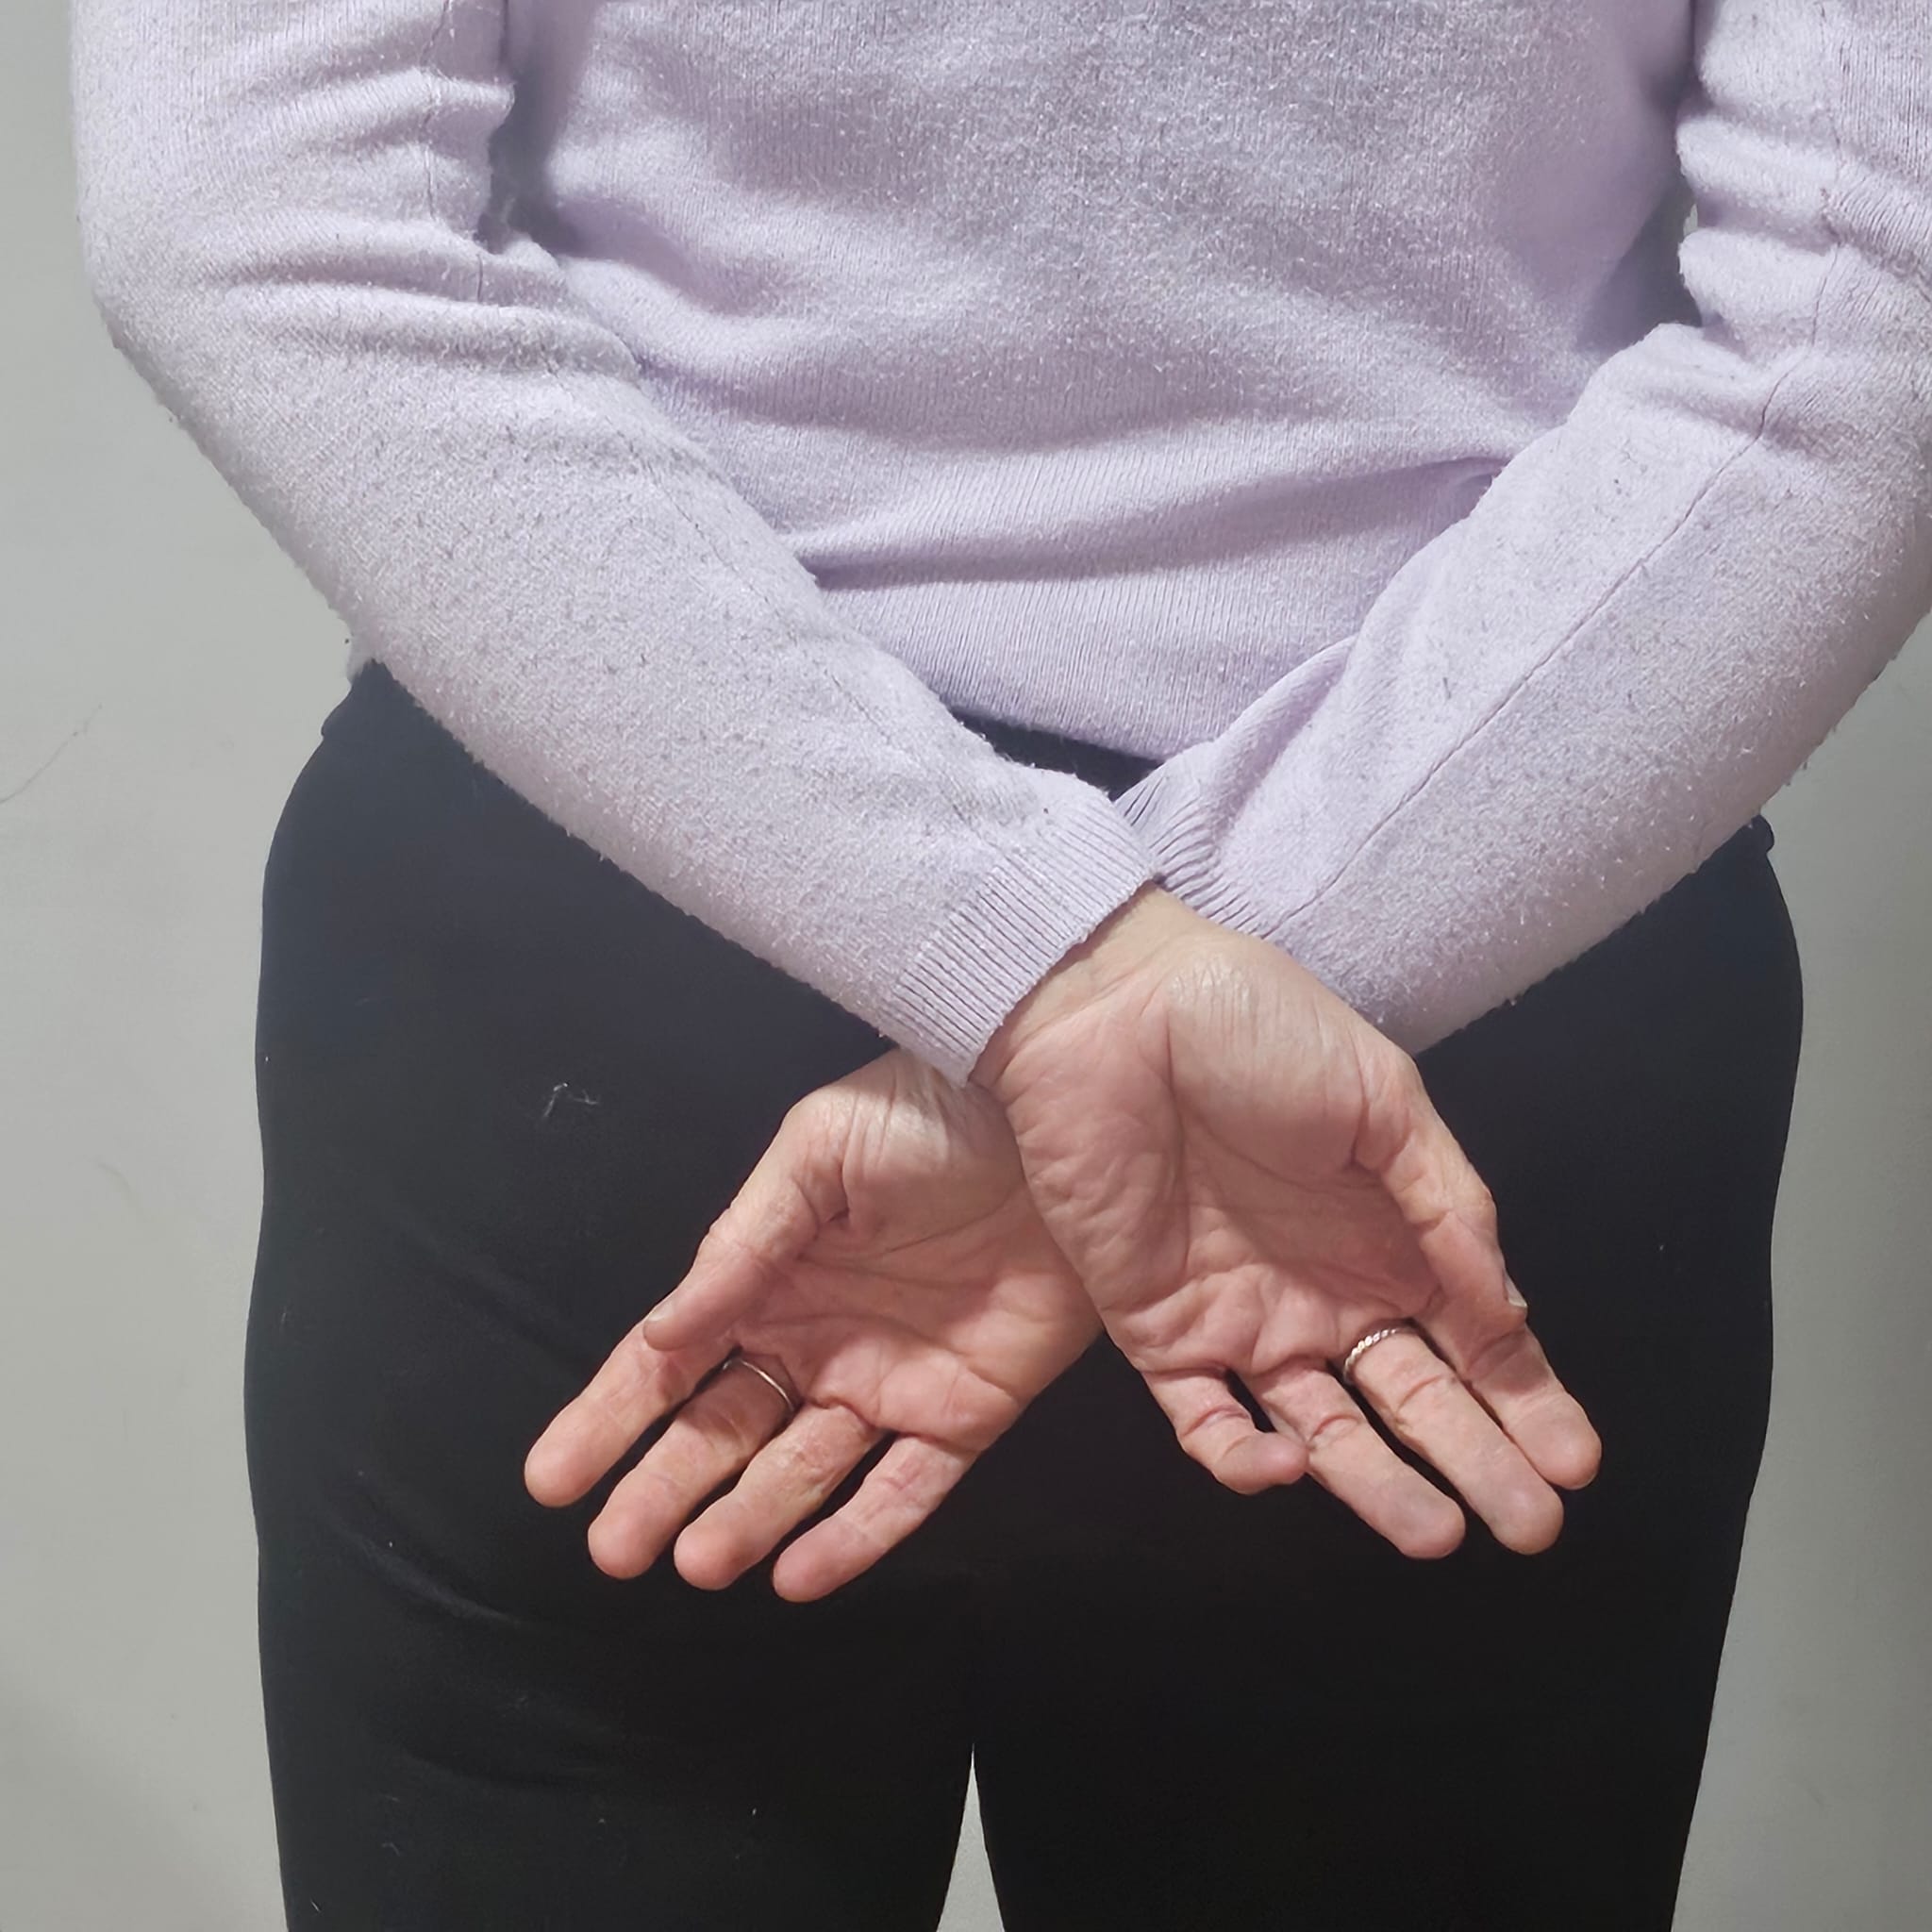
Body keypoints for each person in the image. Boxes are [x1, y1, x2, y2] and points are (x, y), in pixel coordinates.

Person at [70, 1, 1927, 1926]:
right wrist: (1124, 993)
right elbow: (1872, 310)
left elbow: (253, 187)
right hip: (1452, 1010)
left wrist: (1045, 981)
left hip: (642, 996)